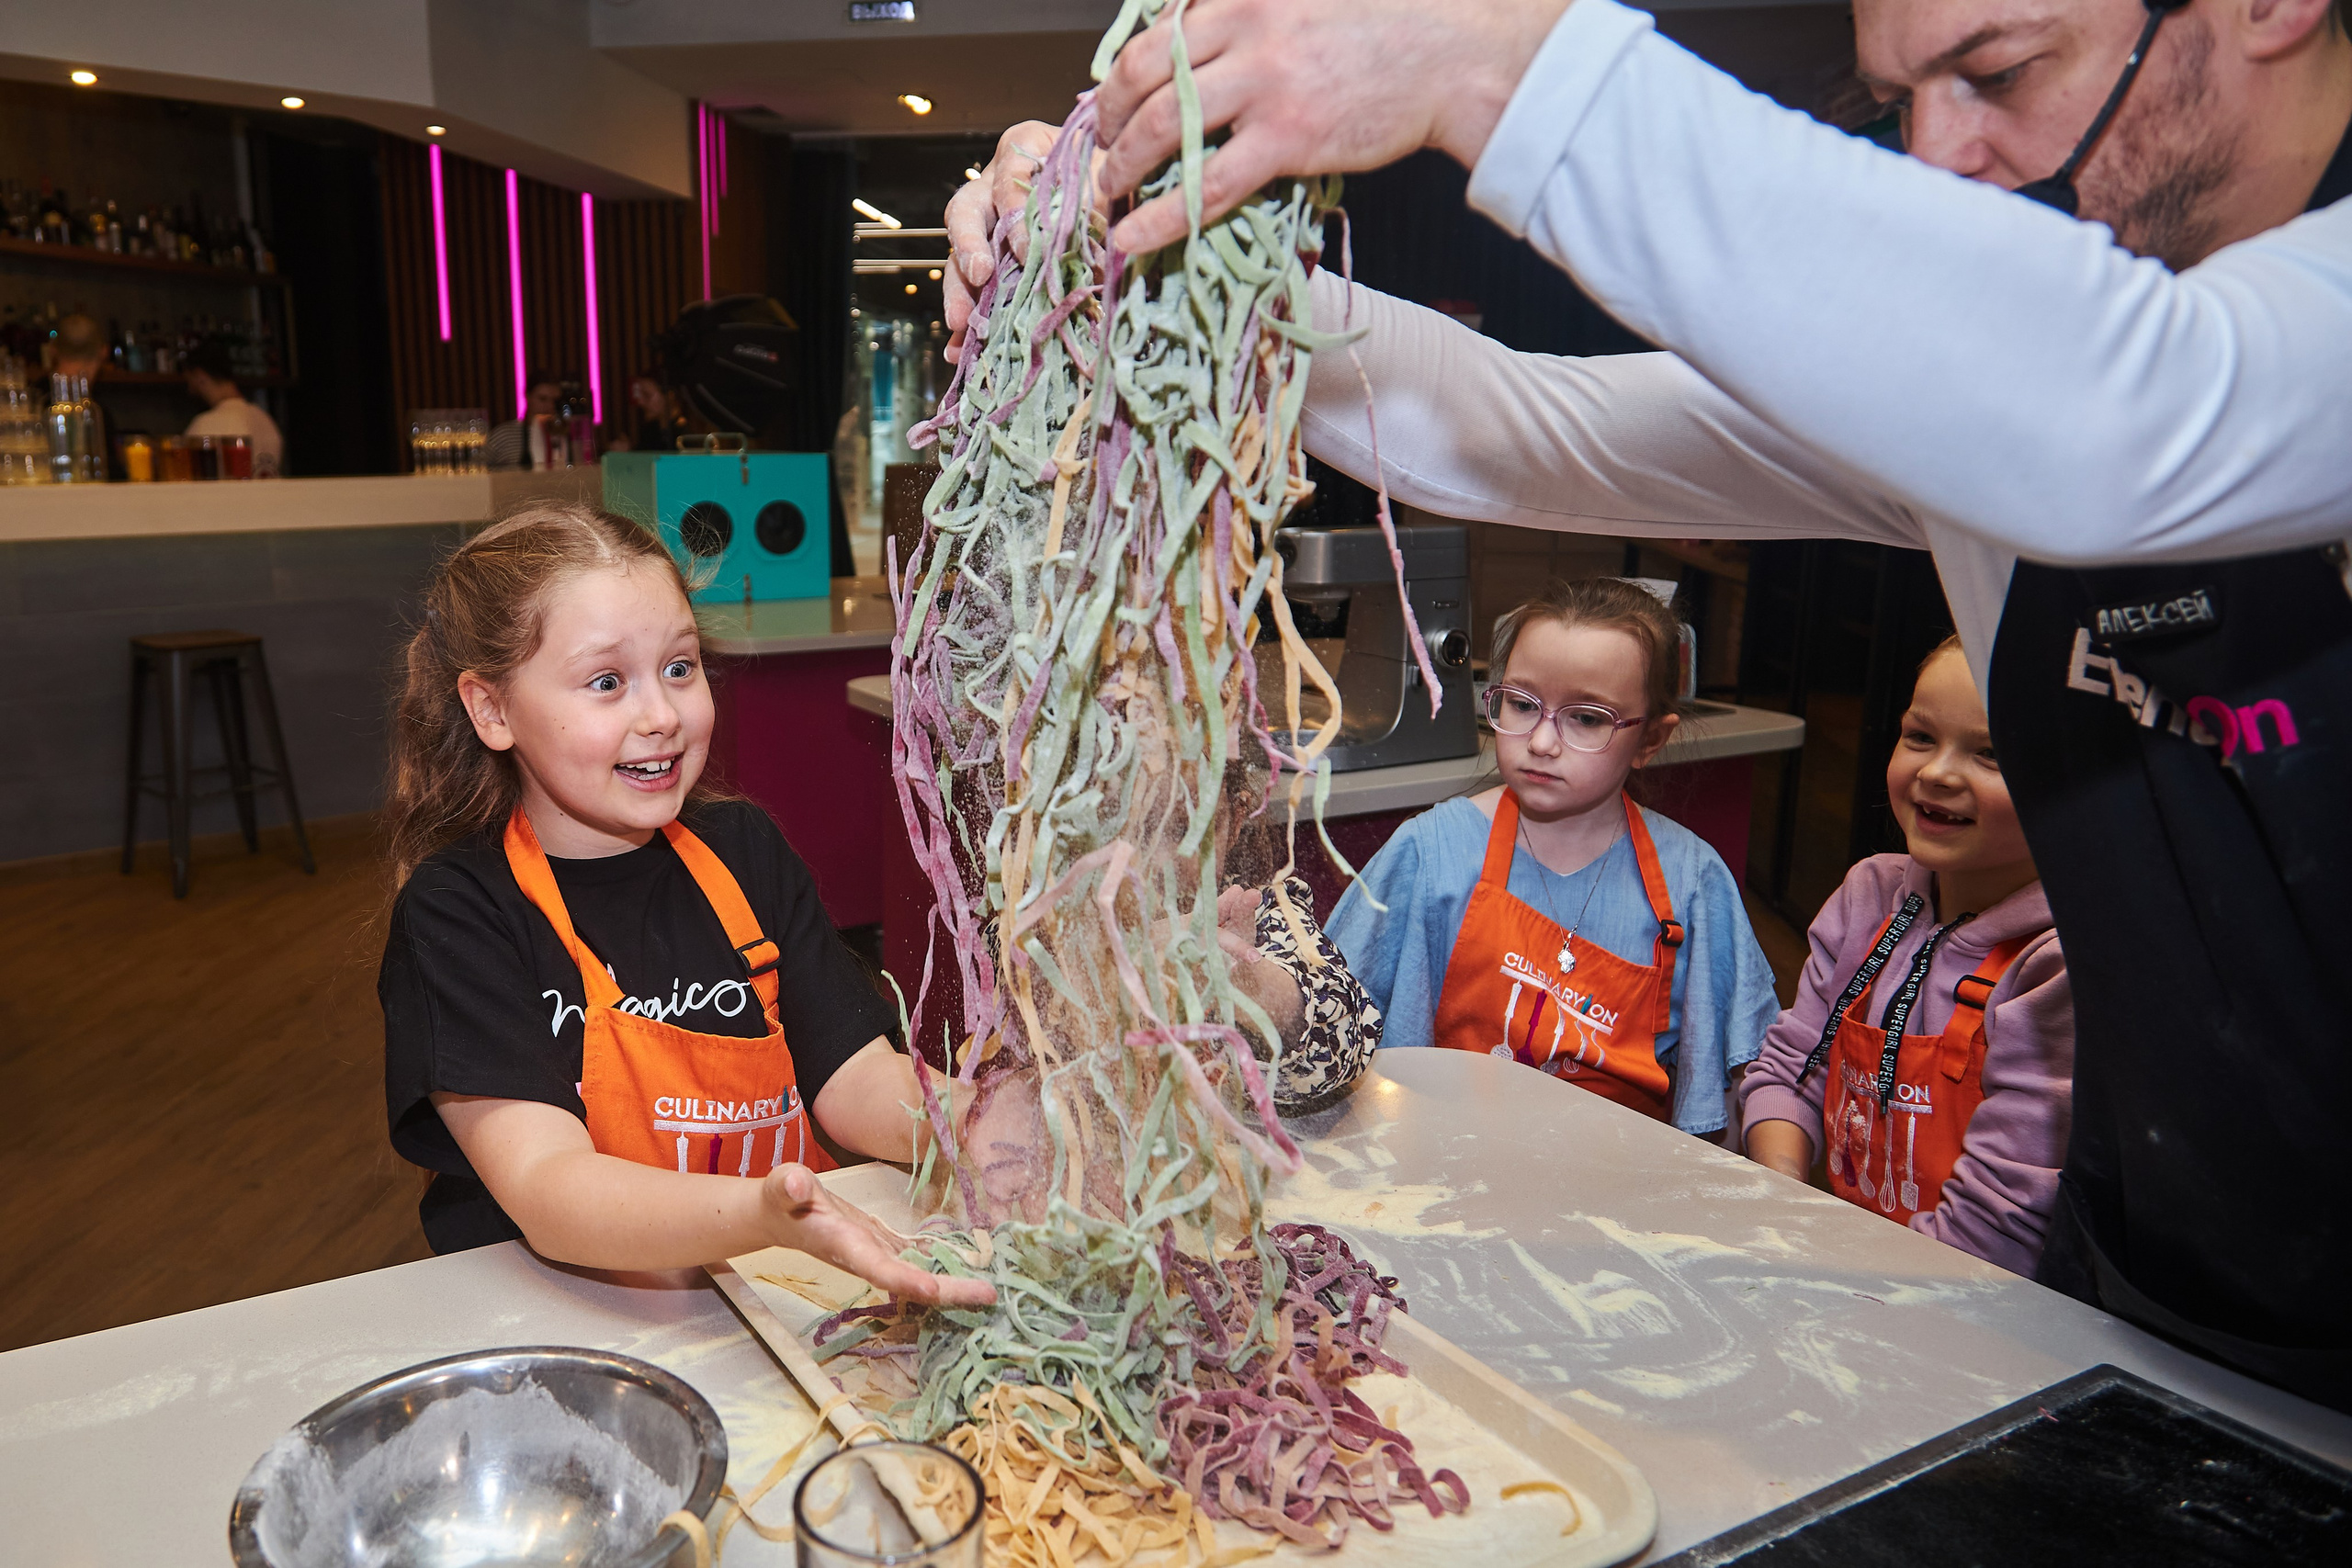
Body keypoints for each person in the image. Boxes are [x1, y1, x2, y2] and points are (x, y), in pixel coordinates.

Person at [949, 0, 2352, 1409]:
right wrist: (1158, 267)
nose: (1941, 156)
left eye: (1996, 73)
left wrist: (1487, 57)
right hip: (2158, 1268)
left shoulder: (2162, 380)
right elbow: (1519, 425)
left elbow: (2141, 412)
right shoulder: (2013, 397)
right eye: (1898, 104)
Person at [377, 501, 992, 1306]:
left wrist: (974, 1122)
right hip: (569, 1314)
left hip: (767, 1286)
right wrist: (762, 1213)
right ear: (492, 709)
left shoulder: (741, 850)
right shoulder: (459, 913)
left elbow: (850, 1075)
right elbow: (551, 1186)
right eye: (607, 682)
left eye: (680, 666)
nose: (662, 715)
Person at [1326, 579, 1778, 1136]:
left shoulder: (1692, 881)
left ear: (1651, 741)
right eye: (1521, 704)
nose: (1541, 741)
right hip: (1441, 1167)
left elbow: (1743, 1077)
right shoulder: (1433, 851)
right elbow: (1326, 1004)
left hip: (1617, 1191)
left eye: (1586, 718)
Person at [1742, 639, 2072, 1275]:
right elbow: (1790, 1069)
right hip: (1846, 1266)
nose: (1939, 773)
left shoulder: (2054, 965)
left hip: (1970, 1303)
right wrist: (1782, 1199)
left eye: (1991, 752)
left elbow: (1999, 1224)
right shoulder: (1870, 895)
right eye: (1920, 735)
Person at [183, 339, 284, 476]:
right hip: (268, 497)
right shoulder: (265, 420)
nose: (190, 390)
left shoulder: (205, 425)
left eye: (189, 381)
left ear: (200, 376)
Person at [486, 370, 562, 469]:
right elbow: (476, 469)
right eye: (543, 399)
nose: (550, 406)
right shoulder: (504, 434)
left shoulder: (561, 436)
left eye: (554, 400)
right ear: (527, 396)